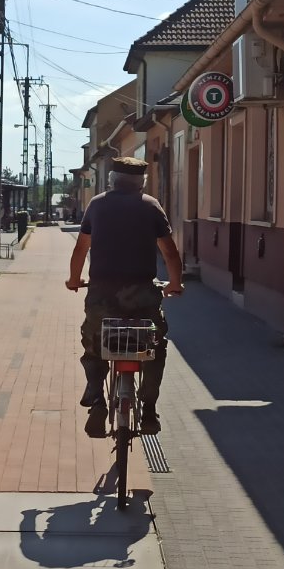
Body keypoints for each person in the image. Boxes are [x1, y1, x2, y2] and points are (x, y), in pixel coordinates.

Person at [65, 156, 183, 438]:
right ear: (141, 182)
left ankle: (96, 399)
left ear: (111, 181)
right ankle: (149, 409)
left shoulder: (97, 205)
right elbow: (169, 252)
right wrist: (175, 283)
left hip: (101, 295)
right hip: (142, 295)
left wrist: (73, 280)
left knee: (93, 344)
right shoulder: (151, 206)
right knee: (154, 348)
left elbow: (81, 249)